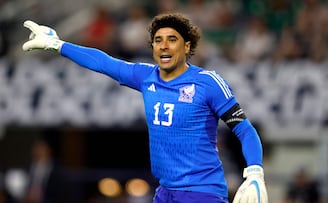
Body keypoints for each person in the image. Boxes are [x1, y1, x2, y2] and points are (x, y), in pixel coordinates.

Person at [21, 13, 268, 203]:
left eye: (172, 39)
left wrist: (255, 171)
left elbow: (244, 130)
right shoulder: (146, 76)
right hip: (164, 192)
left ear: (187, 47)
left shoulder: (208, 83)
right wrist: (59, 45)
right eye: (158, 40)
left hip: (201, 193)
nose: (164, 46)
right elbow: (103, 62)